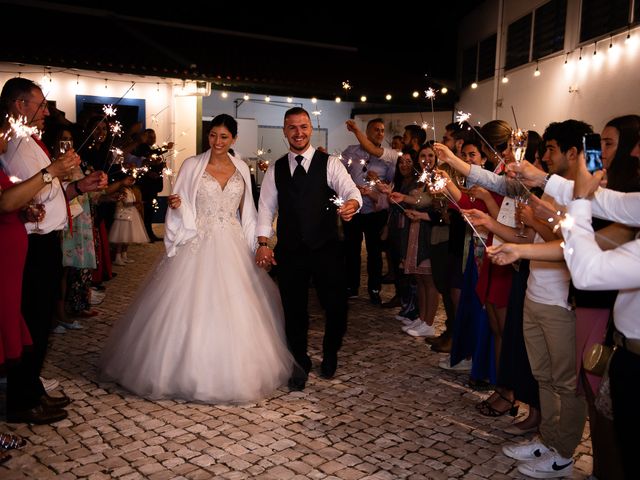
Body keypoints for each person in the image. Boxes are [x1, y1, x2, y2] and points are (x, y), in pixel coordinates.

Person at [99, 114, 293, 403]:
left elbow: (248, 213)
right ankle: (177, 369)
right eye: (213, 135)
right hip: (197, 241)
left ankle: (235, 371)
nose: (217, 142)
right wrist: (177, 205)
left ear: (234, 139)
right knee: (186, 305)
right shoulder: (192, 165)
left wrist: (258, 246)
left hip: (231, 240)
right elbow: (181, 203)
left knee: (237, 306)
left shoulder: (241, 167)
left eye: (224, 137)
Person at [0, 77, 106, 425]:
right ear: (20, 105)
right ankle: (22, 398)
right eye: (40, 104)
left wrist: (77, 186)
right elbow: (22, 196)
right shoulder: (14, 147)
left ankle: (32, 391)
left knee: (41, 320)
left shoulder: (32, 142)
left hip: (45, 239)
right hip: (30, 243)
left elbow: (46, 195)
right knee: (31, 320)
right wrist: (54, 175)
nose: (46, 111)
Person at [255, 107, 361, 391]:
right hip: (291, 251)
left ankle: (330, 352)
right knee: (293, 310)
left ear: (310, 128)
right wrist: (263, 243)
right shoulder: (276, 168)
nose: (298, 133)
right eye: (292, 127)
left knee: (335, 306)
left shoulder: (330, 163)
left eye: (303, 126)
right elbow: (265, 209)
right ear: (284, 131)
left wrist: (352, 203)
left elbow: (351, 191)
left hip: (326, 249)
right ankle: (299, 361)